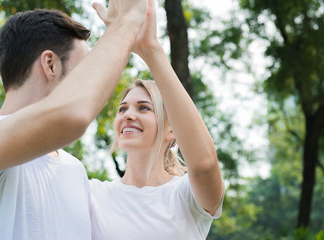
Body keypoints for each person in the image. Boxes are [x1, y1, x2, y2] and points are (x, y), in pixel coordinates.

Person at [0, 1, 148, 239]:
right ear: (50, 64)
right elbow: (72, 116)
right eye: (83, 71)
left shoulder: (75, 171)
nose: (89, 83)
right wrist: (127, 23)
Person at [89, 0, 225, 239]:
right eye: (122, 109)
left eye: (144, 108)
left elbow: (204, 165)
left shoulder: (186, 195)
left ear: (171, 129)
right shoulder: (93, 195)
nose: (128, 115)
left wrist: (151, 50)